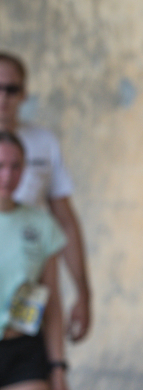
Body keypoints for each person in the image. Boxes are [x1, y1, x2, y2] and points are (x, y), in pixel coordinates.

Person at [0, 52, 92, 342]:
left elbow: (65, 221)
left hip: (27, 275)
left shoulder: (43, 143)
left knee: (28, 351)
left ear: (23, 94)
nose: (3, 97)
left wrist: (83, 293)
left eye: (11, 89)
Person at [0, 130, 69, 390]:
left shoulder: (40, 226)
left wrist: (58, 367)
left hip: (21, 349)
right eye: (0, 166)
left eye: (16, 167)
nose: (7, 176)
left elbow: (52, 303)